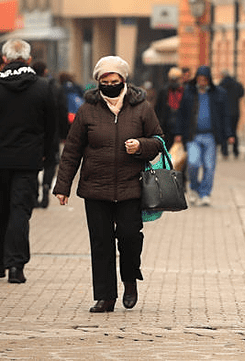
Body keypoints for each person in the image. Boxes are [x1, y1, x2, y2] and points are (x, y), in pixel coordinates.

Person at [53, 56, 162, 312]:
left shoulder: (141, 107)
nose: (110, 85)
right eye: (105, 81)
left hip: (131, 187)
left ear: (124, 81)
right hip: (95, 188)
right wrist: (62, 186)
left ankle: (130, 280)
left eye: (114, 81)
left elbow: (158, 140)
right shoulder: (87, 109)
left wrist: (141, 146)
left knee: (129, 238)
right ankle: (105, 296)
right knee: (101, 242)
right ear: (97, 82)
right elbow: (72, 150)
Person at [0, 40, 56, 284]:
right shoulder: (43, 87)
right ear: (29, 60)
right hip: (28, 159)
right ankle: (16, 266)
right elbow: (52, 127)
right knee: (20, 211)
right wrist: (47, 155)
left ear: (4, 60)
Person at [174, 65, 234, 207]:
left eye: (204, 79)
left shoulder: (219, 93)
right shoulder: (189, 93)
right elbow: (181, 114)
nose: (202, 82)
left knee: (209, 166)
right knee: (193, 164)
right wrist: (178, 132)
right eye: (200, 79)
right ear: (196, 79)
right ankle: (194, 188)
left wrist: (229, 134)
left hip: (210, 136)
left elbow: (225, 116)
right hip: (193, 136)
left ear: (209, 80)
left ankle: (205, 193)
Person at [31, 60, 69, 209]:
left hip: (35, 133)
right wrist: (64, 133)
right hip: (53, 132)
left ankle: (34, 193)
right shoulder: (55, 88)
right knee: (51, 163)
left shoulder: (32, 88)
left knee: (33, 165)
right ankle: (47, 186)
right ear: (45, 71)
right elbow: (63, 110)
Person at [154, 66, 184, 149]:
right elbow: (158, 109)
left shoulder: (184, 91)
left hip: (181, 126)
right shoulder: (164, 91)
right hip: (166, 126)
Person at [219, 70, 244, 160]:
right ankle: (236, 151)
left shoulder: (221, 85)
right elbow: (242, 93)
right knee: (234, 131)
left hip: (224, 111)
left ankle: (225, 152)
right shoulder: (237, 84)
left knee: (224, 131)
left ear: (222, 76)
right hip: (235, 111)